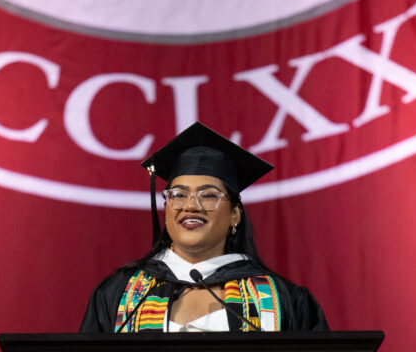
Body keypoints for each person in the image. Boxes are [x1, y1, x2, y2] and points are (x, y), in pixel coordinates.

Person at [80, 123, 328, 333]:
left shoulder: (285, 300)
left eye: (208, 195)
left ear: (234, 215)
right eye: (177, 195)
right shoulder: (119, 294)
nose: (191, 206)